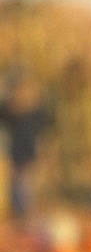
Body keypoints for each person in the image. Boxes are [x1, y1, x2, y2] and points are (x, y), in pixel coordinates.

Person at [0, 72, 54, 220]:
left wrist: (45, 153)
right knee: (16, 186)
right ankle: (18, 217)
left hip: (30, 155)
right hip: (14, 155)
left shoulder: (37, 112)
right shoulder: (8, 111)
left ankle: (26, 216)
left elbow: (44, 135)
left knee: (28, 187)